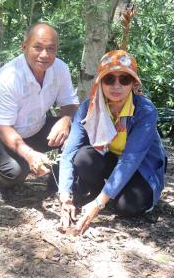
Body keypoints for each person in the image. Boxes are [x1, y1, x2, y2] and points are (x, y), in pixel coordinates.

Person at [58, 50, 166, 234]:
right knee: (83, 157)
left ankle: (103, 196)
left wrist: (99, 204)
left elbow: (130, 161)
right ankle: (106, 193)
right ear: (100, 82)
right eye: (109, 79)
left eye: (124, 79)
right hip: (109, 159)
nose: (116, 85)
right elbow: (69, 152)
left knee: (127, 207)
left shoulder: (145, 111)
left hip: (140, 169)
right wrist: (65, 196)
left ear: (133, 83)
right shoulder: (87, 108)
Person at [0, 23, 79, 197]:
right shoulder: (9, 78)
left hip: (37, 127)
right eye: (38, 47)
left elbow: (70, 103)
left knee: (78, 128)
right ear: (24, 46)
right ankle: (1, 182)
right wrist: (30, 155)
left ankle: (57, 183)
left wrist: (65, 121)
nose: (45, 55)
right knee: (15, 170)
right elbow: (5, 130)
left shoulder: (60, 68)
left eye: (51, 49)